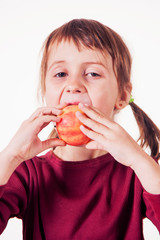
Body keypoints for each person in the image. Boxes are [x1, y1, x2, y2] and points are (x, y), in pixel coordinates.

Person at [0, 18, 160, 240]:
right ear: (45, 90)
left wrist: (140, 161)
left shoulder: (137, 172)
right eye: (61, 74)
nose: (74, 84)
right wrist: (9, 157)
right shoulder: (27, 173)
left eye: (93, 73)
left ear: (122, 95)